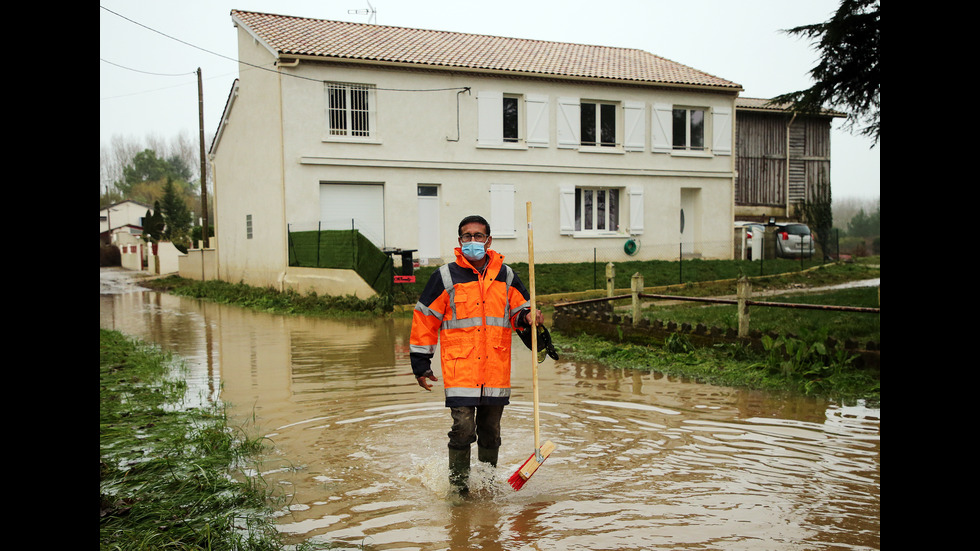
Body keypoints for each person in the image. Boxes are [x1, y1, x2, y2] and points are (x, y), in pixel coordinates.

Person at [410, 214, 543, 494]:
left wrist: (530, 317)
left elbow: (519, 313)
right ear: (460, 241)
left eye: (478, 236)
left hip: (495, 372)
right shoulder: (445, 276)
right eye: (467, 236)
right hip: (461, 372)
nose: (473, 241)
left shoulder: (506, 276)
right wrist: (420, 364)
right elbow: (425, 319)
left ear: (488, 240)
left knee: (491, 433)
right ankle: (459, 491)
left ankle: (486, 487)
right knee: (462, 429)